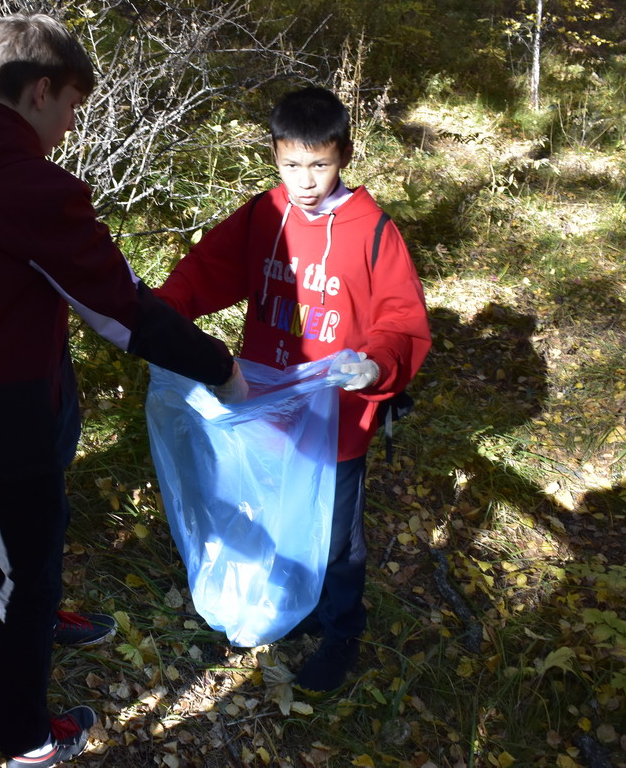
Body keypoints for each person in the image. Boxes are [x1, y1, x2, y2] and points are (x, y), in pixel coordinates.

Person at [0, 13, 247, 767]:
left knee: (21, 537)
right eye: (71, 105)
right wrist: (220, 366)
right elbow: (122, 312)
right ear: (40, 91)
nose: (71, 125)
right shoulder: (31, 190)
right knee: (27, 579)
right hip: (12, 429)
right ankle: (28, 742)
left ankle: (41, 611)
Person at [155, 85, 431, 692]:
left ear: (344, 156)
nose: (305, 181)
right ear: (275, 156)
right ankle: (295, 604)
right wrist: (160, 314)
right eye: (291, 165)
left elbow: (401, 318)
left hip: (338, 420)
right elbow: (206, 270)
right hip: (266, 404)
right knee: (277, 510)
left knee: (335, 538)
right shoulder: (264, 216)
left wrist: (376, 365)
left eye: (319, 165)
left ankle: (341, 629)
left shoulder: (372, 231)